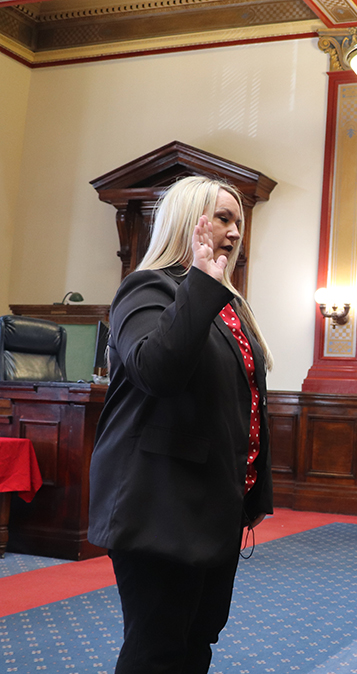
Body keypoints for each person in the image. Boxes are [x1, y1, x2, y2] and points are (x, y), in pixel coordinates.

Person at [88, 175, 274, 674]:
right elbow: (158, 371)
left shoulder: (228, 304)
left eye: (239, 222)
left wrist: (253, 493)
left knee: (197, 641)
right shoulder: (147, 288)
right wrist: (202, 285)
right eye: (223, 218)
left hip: (213, 506)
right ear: (189, 222)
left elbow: (246, 404)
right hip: (158, 505)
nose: (235, 232)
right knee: (158, 651)